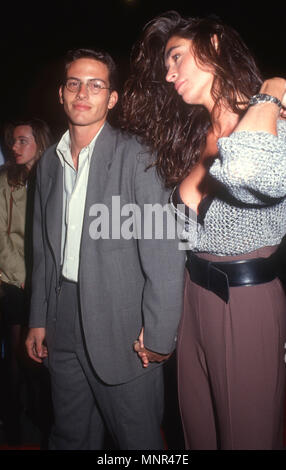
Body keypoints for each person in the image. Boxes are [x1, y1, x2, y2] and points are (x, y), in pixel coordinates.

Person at [120, 11, 286, 450]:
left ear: (213, 44)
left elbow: (250, 169)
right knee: (197, 435)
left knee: (247, 438)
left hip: (245, 302)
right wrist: (158, 320)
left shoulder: (277, 123)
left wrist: (272, 91)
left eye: (176, 57)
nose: (170, 74)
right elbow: (170, 238)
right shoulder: (194, 136)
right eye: (166, 68)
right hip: (192, 300)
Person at [25, 48, 185, 450]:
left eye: (96, 85)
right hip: (62, 324)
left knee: (139, 444)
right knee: (69, 437)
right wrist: (38, 318)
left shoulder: (138, 156)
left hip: (125, 329)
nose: (83, 93)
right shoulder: (48, 164)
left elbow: (164, 255)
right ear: (61, 93)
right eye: (74, 84)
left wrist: (160, 335)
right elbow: (44, 251)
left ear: (111, 98)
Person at [0, 119, 52, 444]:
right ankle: (14, 422)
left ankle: (43, 418)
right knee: (20, 355)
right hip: (15, 282)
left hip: (47, 282)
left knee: (45, 356)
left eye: (22, 141)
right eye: (13, 142)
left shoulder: (54, 177)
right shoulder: (6, 180)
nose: (14, 148)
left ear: (39, 142)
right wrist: (15, 276)